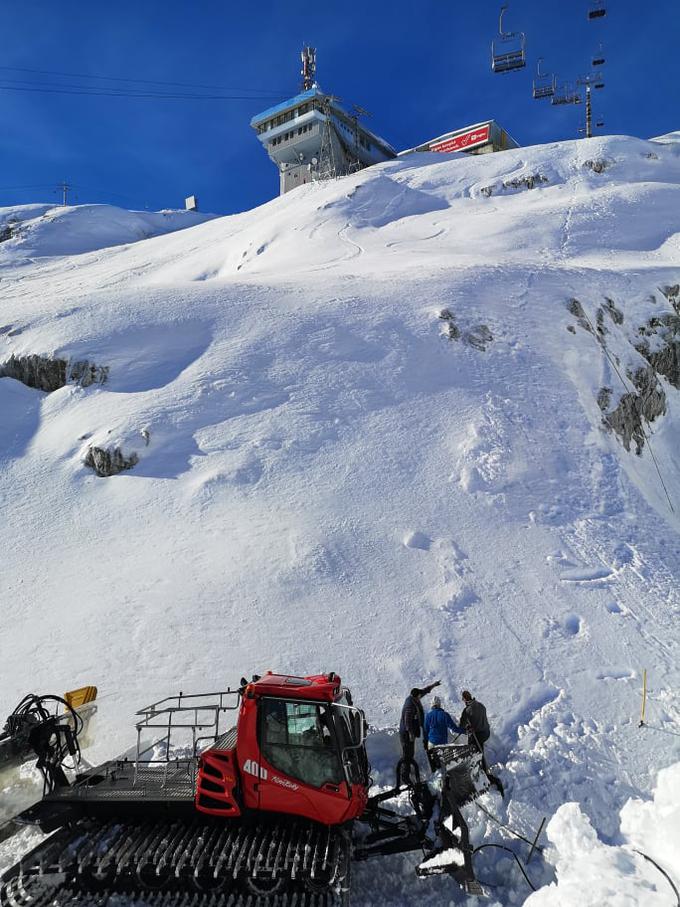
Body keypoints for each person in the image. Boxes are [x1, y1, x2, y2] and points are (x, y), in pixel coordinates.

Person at [398, 680, 441, 783]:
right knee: (407, 753)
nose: (420, 697)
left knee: (410, 753)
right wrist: (410, 733)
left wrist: (433, 685)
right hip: (406, 733)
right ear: (415, 697)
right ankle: (404, 777)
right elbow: (407, 720)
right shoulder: (410, 705)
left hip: (410, 732)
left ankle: (407, 774)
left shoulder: (414, 698)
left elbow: (424, 691)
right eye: (419, 696)